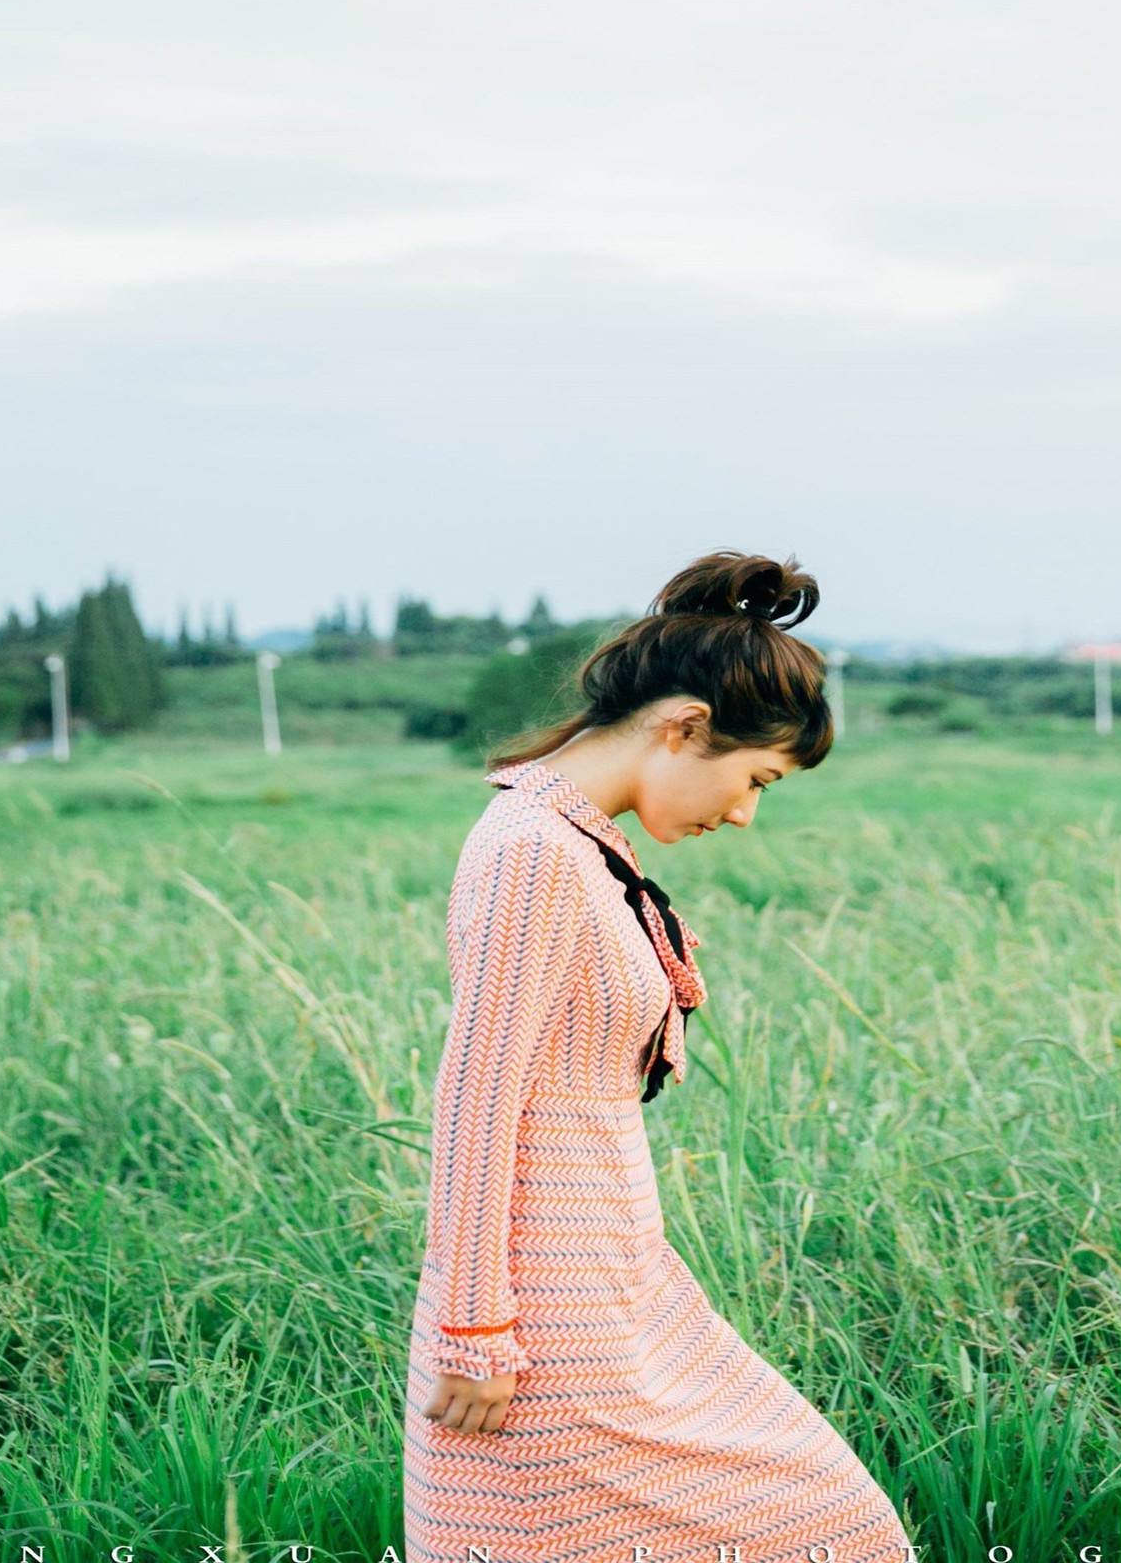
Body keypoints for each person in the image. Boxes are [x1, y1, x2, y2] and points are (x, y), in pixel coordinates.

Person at [404, 551, 914, 1563]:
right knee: (813, 1524)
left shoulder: (582, 842)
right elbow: (474, 1103)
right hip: (539, 1308)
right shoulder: (533, 851)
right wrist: (472, 1328)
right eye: (755, 777)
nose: (743, 813)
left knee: (818, 1517)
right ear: (684, 725)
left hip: (614, 1278)